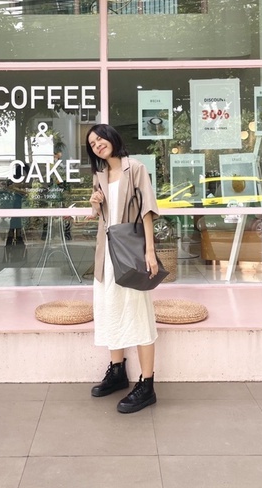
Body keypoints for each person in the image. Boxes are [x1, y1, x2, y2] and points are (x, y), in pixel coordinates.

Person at [86, 123, 161, 414]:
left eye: (100, 139)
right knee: (110, 309)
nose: (97, 145)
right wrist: (94, 203)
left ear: (112, 138)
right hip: (107, 255)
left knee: (138, 314)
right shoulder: (100, 175)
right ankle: (117, 371)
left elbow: (147, 210)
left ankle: (147, 384)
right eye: (92, 144)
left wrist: (150, 251)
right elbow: (100, 215)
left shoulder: (136, 168)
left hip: (131, 253)